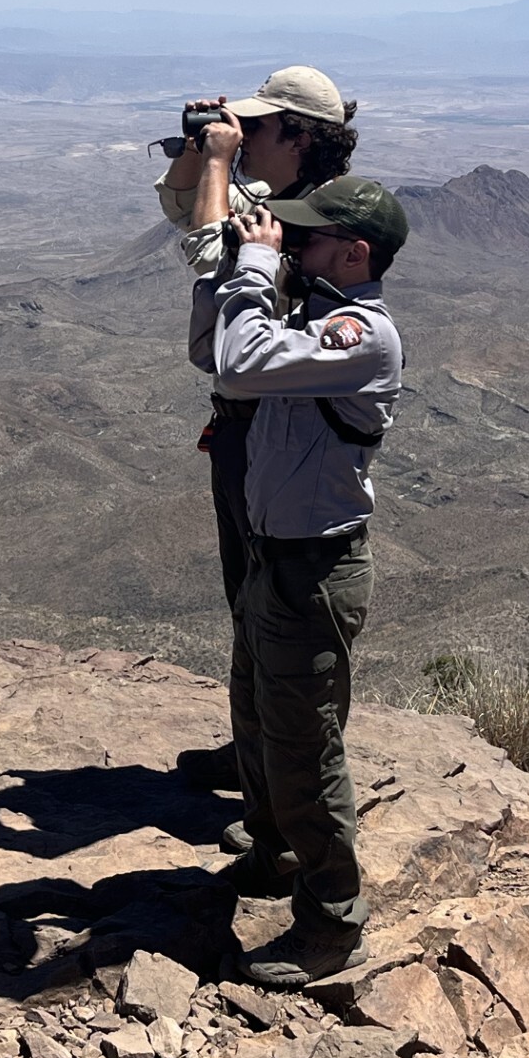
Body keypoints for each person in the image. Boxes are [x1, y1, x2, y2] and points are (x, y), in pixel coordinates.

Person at [187, 175, 408, 987]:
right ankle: (273, 853)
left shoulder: (362, 335)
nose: (293, 246)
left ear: (355, 254)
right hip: (273, 555)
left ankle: (330, 925)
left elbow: (241, 366)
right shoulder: (308, 318)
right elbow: (213, 350)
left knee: (306, 747)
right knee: (256, 713)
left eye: (309, 239)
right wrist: (229, 265)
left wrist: (251, 266)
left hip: (316, 568)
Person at [155, 68, 358, 800]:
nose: (244, 141)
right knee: (247, 598)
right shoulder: (274, 201)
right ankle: (255, 751)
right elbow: (184, 206)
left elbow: (211, 256)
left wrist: (215, 163)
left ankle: (287, 777)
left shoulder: (324, 219)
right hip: (244, 426)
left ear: (300, 138)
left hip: (285, 434)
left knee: (283, 609)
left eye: (259, 129)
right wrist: (196, 152)